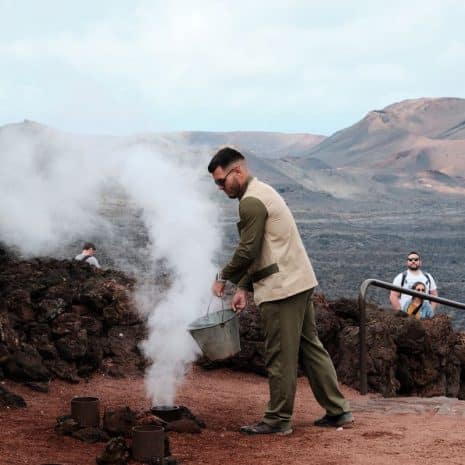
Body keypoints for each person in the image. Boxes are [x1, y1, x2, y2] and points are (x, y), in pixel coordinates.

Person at [208, 147, 352, 436]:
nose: (220, 188)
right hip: (297, 282)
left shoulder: (250, 202)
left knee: (279, 355)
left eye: (222, 182)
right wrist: (244, 288)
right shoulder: (262, 192)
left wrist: (224, 277)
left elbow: (248, 249)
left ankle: (278, 419)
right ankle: (338, 410)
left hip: (281, 289)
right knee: (310, 348)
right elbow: (262, 248)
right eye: (216, 184)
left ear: (238, 171)